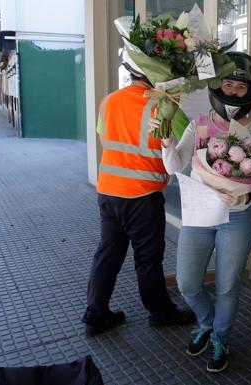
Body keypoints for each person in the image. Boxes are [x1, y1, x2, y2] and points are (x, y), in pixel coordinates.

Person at [159, 52, 251, 373]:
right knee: (187, 283)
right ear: (217, 85)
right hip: (200, 213)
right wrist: (167, 143)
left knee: (227, 285)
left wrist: (242, 195)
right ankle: (206, 323)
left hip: (238, 216)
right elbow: (174, 166)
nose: (233, 92)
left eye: (240, 87)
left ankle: (221, 337)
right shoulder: (200, 124)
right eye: (228, 84)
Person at [81, 54, 195, 337]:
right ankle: (160, 312)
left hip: (108, 192)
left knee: (108, 252)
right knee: (147, 258)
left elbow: (104, 140)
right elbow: (191, 141)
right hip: (143, 195)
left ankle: (95, 314)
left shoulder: (108, 101)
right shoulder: (165, 106)